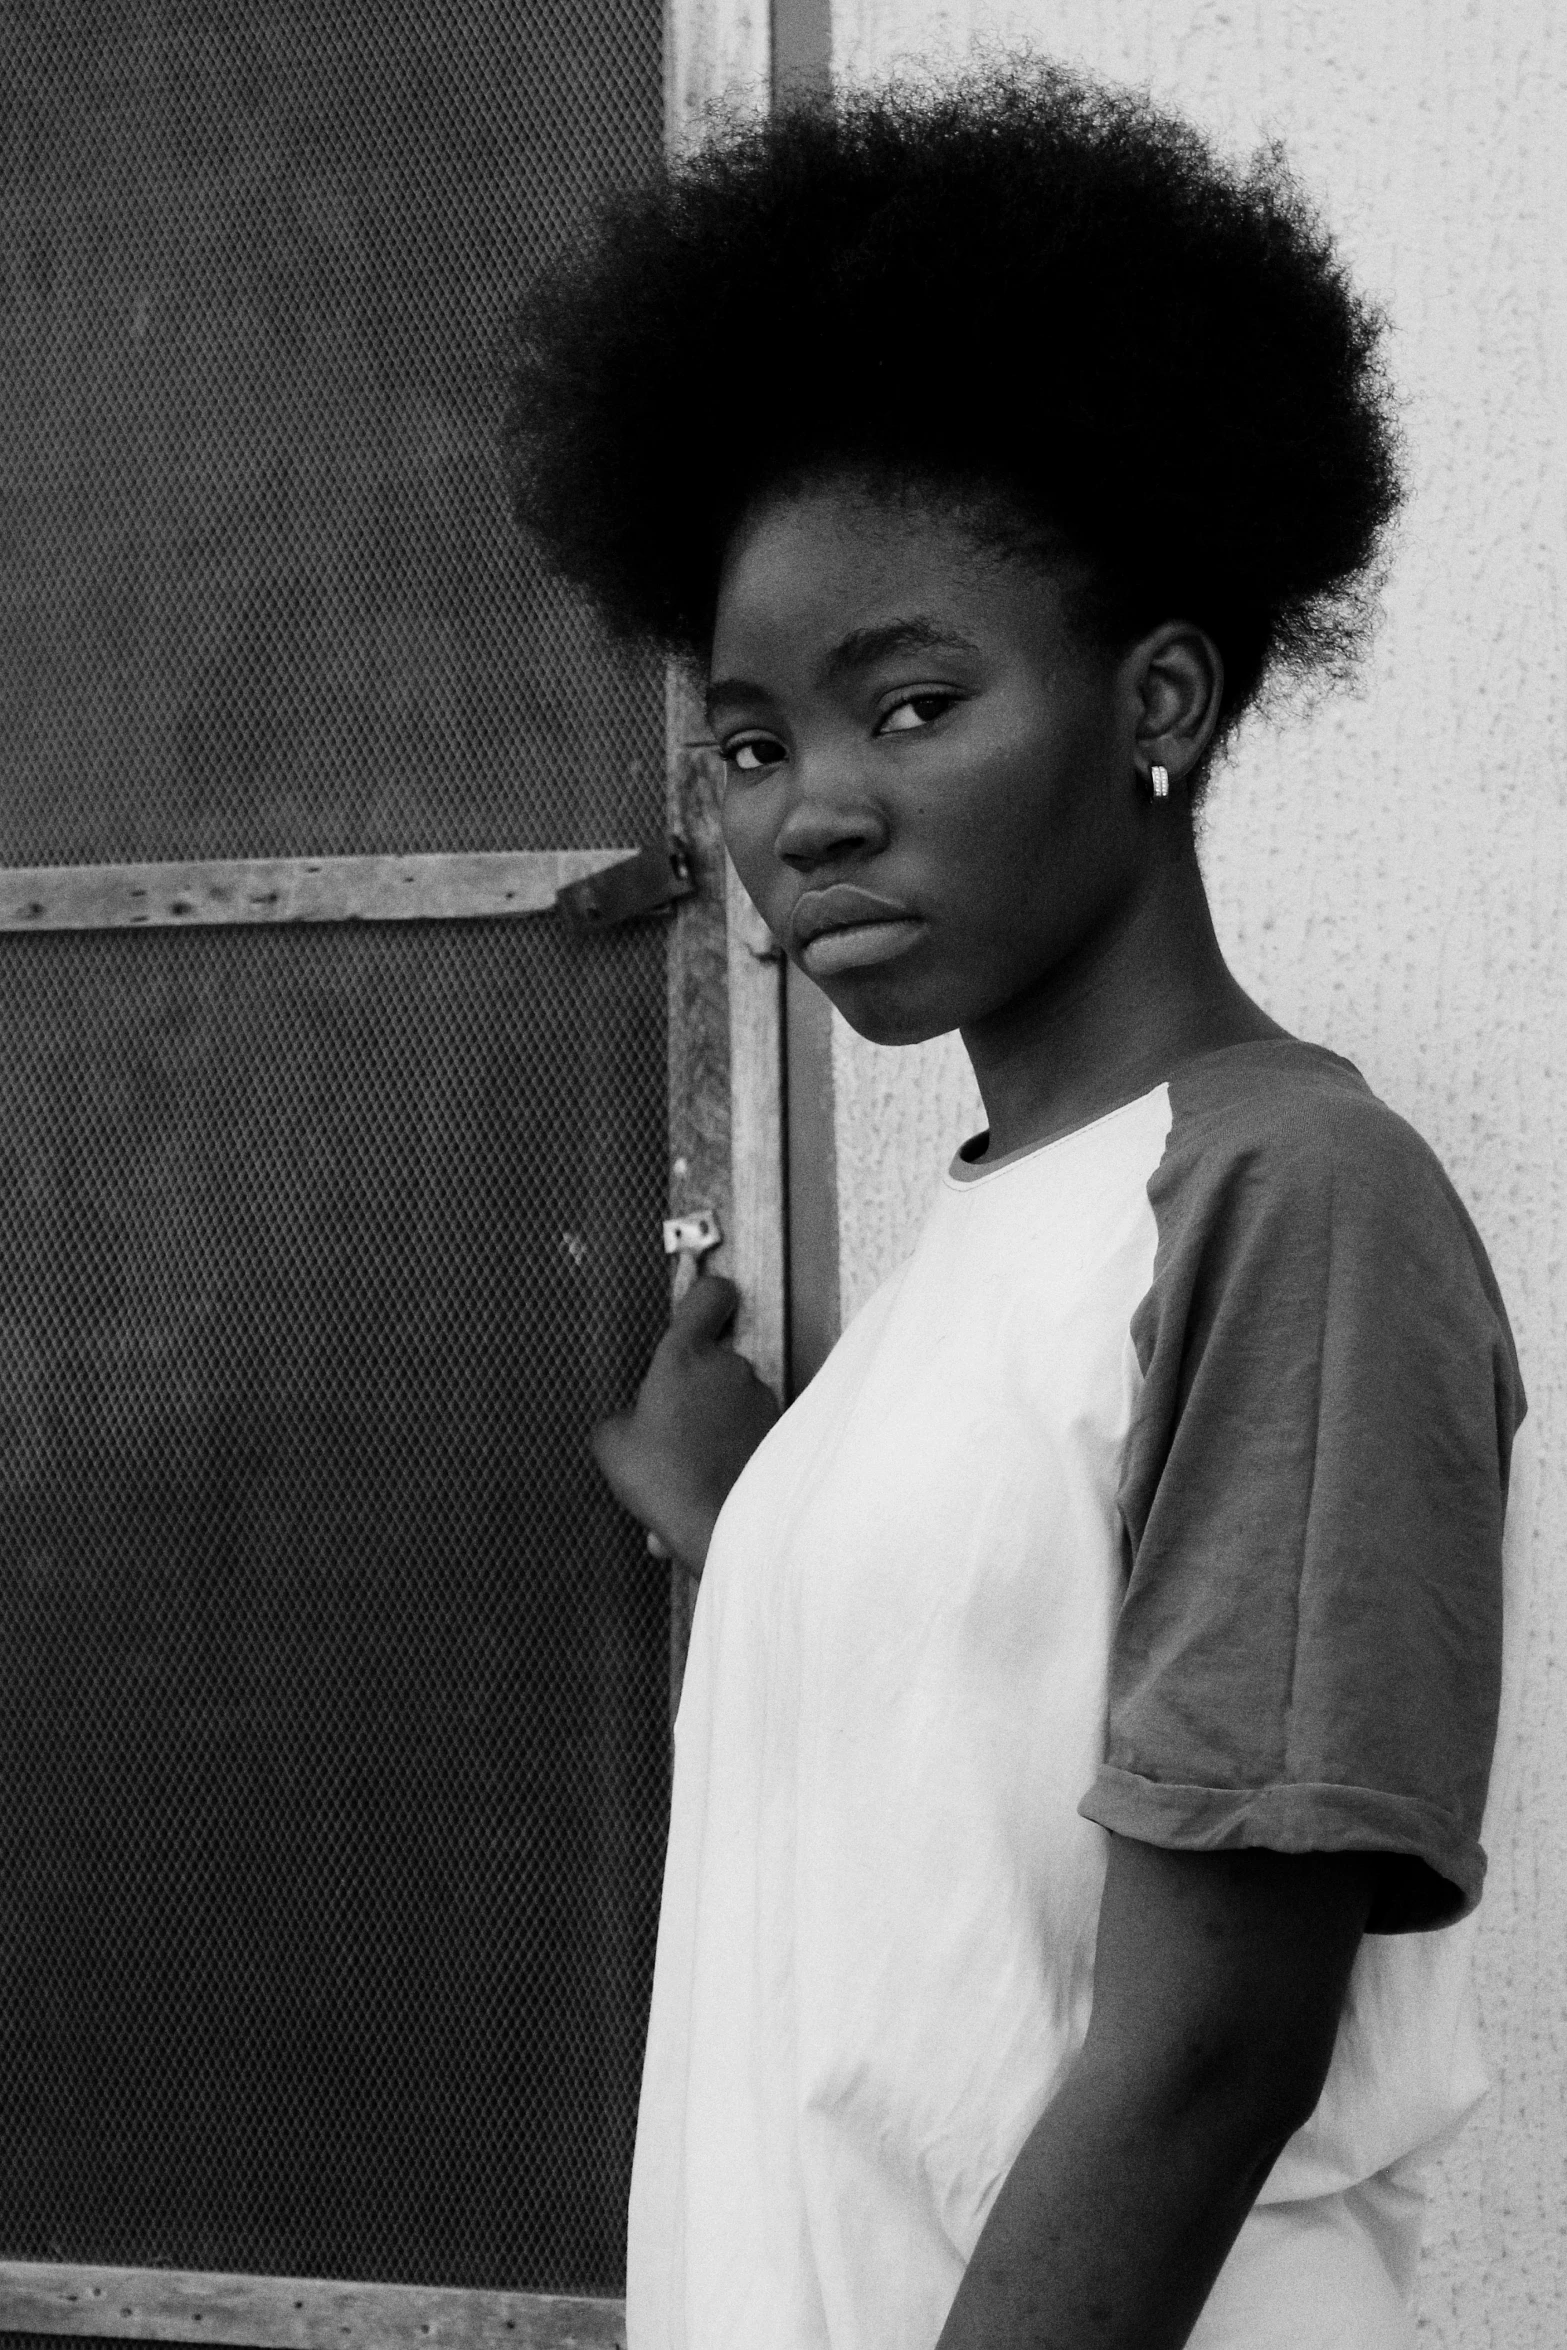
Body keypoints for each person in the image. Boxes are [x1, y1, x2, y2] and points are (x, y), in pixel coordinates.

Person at [501, 64, 1525, 2350]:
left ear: (1157, 697)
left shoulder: (1294, 1200)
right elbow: (987, 1778)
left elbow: (1203, 2054)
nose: (811, 815)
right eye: (754, 742)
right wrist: (746, 1509)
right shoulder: (1007, 1241)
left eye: (915, 702)